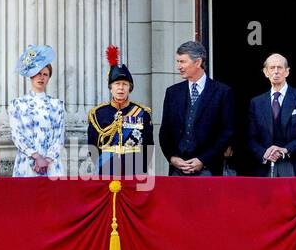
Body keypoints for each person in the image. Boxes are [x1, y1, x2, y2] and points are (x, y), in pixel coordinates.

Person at [159, 40, 234, 177]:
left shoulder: (222, 92)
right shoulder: (172, 93)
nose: (179, 66)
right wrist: (172, 158)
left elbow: (227, 132)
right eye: (178, 62)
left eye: (183, 62)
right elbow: (165, 131)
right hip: (177, 170)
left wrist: (203, 159)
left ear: (198, 62)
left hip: (208, 170)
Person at [247, 53, 296, 177]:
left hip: (293, 166)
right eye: (272, 68)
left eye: (279, 68)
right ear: (265, 72)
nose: (276, 71)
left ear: (287, 72)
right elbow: (250, 138)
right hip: (265, 168)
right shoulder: (256, 102)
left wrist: (285, 150)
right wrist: (264, 153)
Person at [87, 46, 153, 177]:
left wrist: (140, 168)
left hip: (135, 169)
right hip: (106, 169)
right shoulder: (98, 114)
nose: (121, 88)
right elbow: (92, 146)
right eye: (117, 84)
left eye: (125, 84)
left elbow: (148, 145)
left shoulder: (141, 113)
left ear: (130, 88)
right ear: (111, 88)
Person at [8, 44, 66, 178]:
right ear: (31, 75)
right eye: (38, 73)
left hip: (51, 165)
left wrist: (46, 160)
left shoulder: (57, 104)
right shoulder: (17, 104)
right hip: (26, 163)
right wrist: (36, 156)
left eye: (45, 74)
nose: (41, 77)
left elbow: (59, 136)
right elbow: (17, 135)